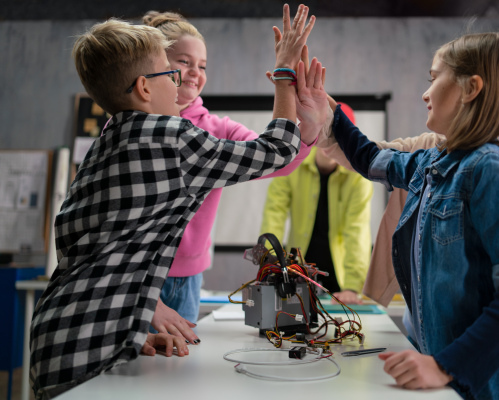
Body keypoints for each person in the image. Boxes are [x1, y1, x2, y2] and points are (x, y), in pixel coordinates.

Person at [30, 5, 327, 398]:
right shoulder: (172, 137)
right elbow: (276, 149)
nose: (183, 80)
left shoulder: (110, 139)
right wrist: (285, 73)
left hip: (66, 332)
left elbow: (95, 251)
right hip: (89, 340)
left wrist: (130, 328)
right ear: (144, 87)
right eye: (172, 71)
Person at [318, 32, 499, 399]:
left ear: (471, 89)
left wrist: (446, 366)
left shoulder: (489, 169)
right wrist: (329, 115)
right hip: (444, 372)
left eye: (433, 78)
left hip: (493, 385)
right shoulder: (431, 163)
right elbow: (370, 159)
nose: (426, 93)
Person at [141, 10, 318, 333]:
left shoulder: (216, 128)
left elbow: (277, 159)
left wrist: (308, 128)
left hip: (186, 279)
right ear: (155, 64)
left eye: (203, 66)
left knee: (174, 372)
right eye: (184, 62)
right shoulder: (134, 126)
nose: (195, 73)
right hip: (137, 275)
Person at [260, 103, 373, 304]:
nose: (330, 142)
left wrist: (352, 287)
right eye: (326, 132)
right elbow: (274, 214)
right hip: (298, 270)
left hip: (340, 275)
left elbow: (356, 231)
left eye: (338, 137)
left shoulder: (357, 177)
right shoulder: (294, 164)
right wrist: (271, 265)